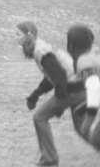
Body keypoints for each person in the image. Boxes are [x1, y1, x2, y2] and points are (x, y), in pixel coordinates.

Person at [16, 21, 89, 166]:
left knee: (39, 117)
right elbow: (52, 77)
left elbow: (60, 76)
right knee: (83, 128)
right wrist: (35, 95)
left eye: (18, 34)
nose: (16, 37)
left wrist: (60, 102)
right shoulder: (39, 48)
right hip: (79, 88)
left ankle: (49, 160)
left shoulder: (40, 50)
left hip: (73, 89)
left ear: (29, 35)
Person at [65, 24, 100, 150]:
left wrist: (89, 119)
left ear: (71, 45)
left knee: (95, 137)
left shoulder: (83, 61)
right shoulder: (93, 51)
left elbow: (94, 85)